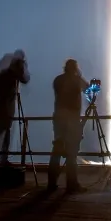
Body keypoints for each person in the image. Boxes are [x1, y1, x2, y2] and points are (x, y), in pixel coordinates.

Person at [47, 58, 89, 193]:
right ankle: (72, 184)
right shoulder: (76, 80)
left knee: (57, 149)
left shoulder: (57, 80)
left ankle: (51, 183)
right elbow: (88, 88)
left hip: (58, 117)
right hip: (72, 118)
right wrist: (80, 76)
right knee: (71, 152)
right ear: (75, 68)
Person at [0, 49, 30, 164]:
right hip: (4, 108)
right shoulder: (8, 76)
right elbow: (25, 79)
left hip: (1, 108)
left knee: (3, 130)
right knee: (2, 130)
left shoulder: (3, 75)